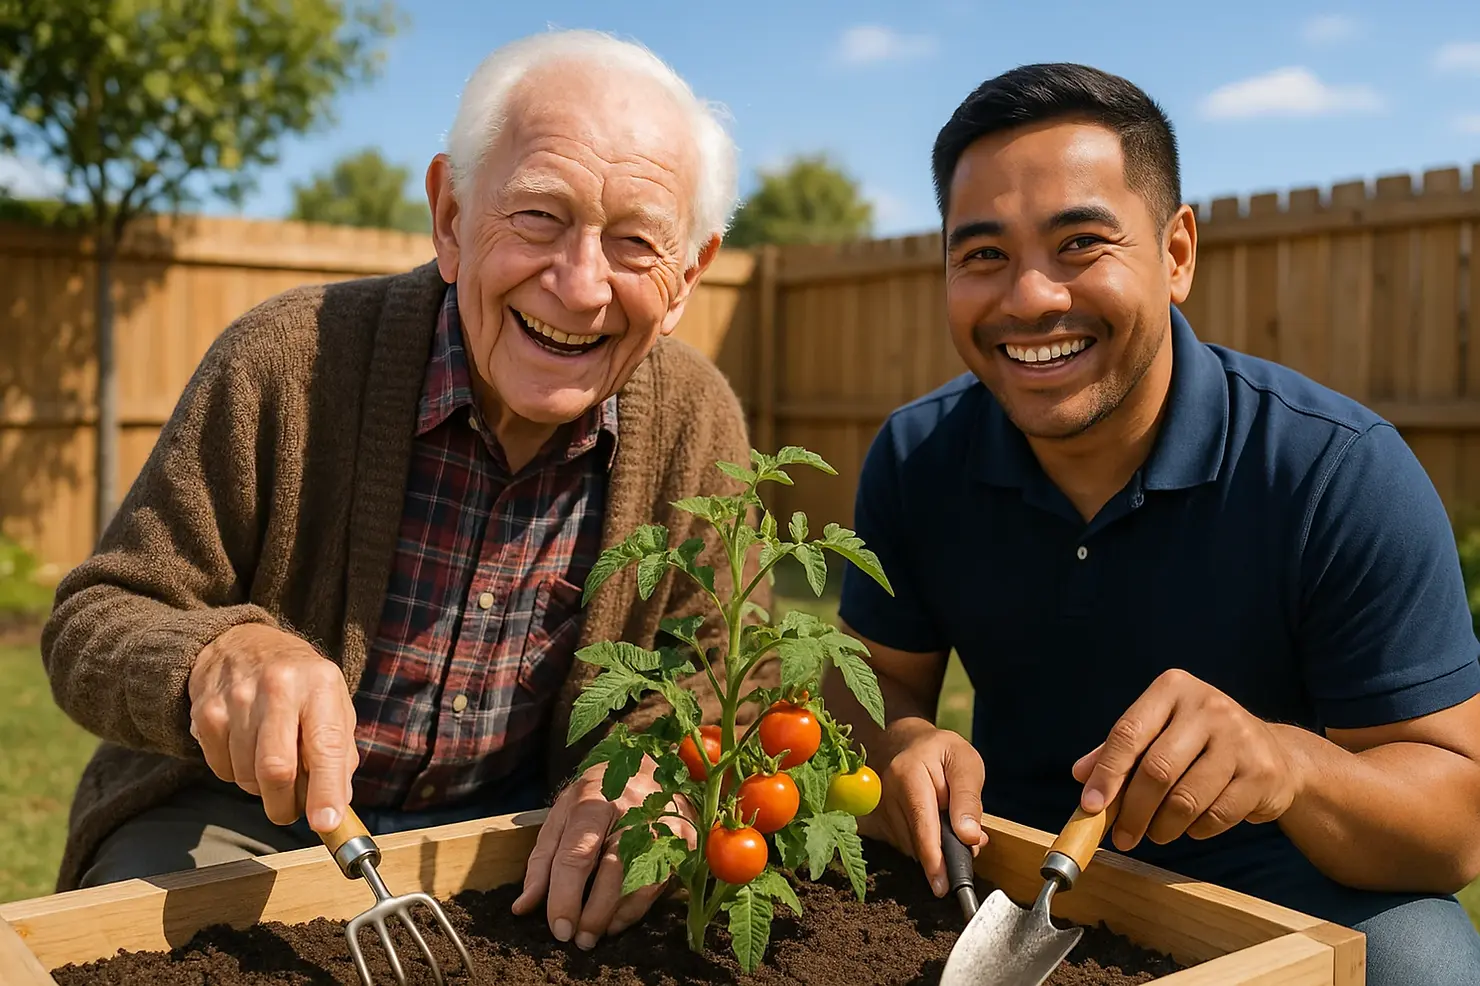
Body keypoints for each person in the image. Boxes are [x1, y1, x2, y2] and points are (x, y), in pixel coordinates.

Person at [40, 29, 772, 954]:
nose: (582, 286)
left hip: (516, 834)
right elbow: (95, 618)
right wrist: (218, 656)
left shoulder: (698, 424)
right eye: (540, 216)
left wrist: (651, 776)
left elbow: (721, 677)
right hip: (237, 821)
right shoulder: (288, 361)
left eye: (634, 243)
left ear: (687, 277)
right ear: (452, 216)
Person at [826, 62, 1480, 985]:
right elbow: (871, 681)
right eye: (983, 256)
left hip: (1280, 885)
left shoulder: (1336, 471)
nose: (1031, 299)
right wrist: (897, 742)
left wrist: (1287, 764)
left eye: (1081, 243)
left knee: (1428, 965)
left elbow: (1454, 829)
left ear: (1175, 254)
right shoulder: (918, 457)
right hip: (1011, 868)